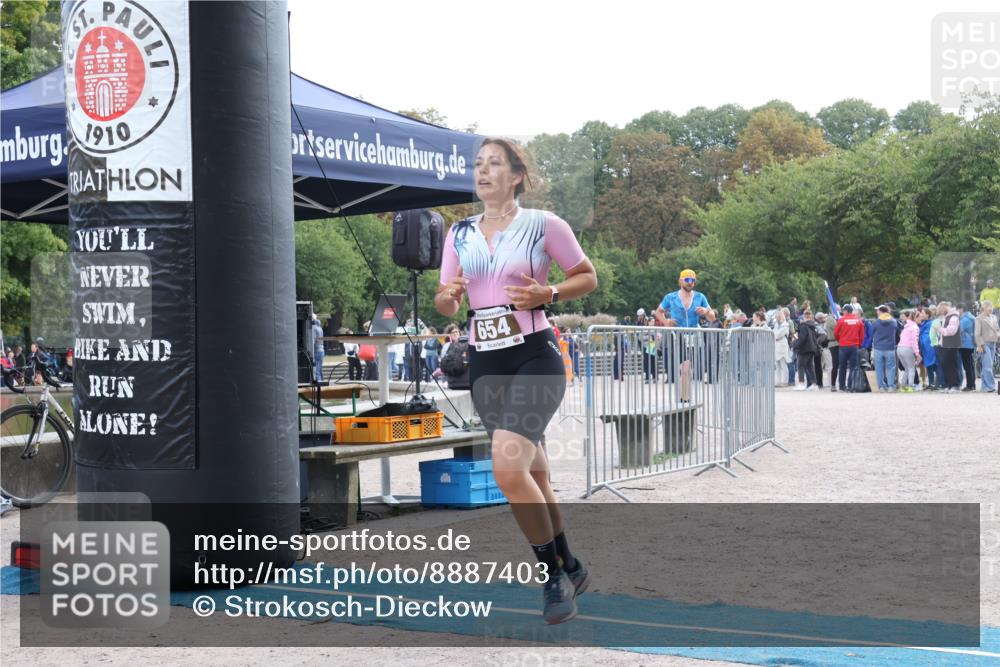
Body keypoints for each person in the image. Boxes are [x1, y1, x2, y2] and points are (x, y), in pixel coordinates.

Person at [434, 137, 598, 625]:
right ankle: (571, 564)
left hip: (535, 356)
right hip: (486, 363)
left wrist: (550, 292)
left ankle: (553, 577)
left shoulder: (544, 225)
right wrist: (449, 298)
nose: (482, 171)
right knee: (535, 474)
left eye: (494, 163)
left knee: (507, 470)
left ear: (517, 176)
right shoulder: (459, 233)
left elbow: (586, 276)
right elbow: (445, 301)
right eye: (478, 164)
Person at [655, 269, 710, 403]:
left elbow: (713, 316)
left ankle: (684, 398)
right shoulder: (671, 297)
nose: (690, 282)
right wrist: (666, 322)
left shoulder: (700, 297)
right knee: (683, 368)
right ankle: (683, 397)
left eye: (693, 280)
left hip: (693, 335)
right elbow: (658, 312)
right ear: (680, 281)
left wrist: (706, 312)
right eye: (687, 280)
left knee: (686, 368)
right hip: (677, 335)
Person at [834, 305, 864, 391]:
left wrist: (840, 340)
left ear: (846, 311)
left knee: (842, 367)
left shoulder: (841, 320)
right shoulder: (858, 321)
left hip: (843, 346)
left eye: (843, 311)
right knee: (853, 367)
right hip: (854, 346)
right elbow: (862, 335)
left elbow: (835, 333)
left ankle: (842, 386)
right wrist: (858, 344)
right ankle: (851, 385)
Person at [935, 302, 962, 393]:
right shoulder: (947, 317)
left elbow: (951, 331)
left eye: (941, 310)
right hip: (944, 345)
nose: (941, 312)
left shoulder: (954, 317)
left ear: (946, 307)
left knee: (952, 366)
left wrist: (939, 329)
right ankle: (949, 385)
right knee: (946, 366)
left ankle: (955, 385)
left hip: (951, 345)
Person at [871, 305, 898, 392]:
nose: (877, 312)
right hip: (890, 347)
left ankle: (881, 387)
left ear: (881, 312)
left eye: (877, 310)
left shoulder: (876, 322)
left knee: (879, 368)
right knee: (891, 367)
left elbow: (872, 333)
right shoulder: (893, 322)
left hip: (878, 348)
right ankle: (890, 386)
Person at [975, 301, 999, 392]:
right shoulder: (979, 318)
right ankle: (991, 386)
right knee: (988, 365)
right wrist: (980, 345)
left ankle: (984, 387)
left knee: (987, 365)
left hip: (993, 343)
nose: (991, 309)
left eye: (991, 307)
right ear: (984, 308)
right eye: (989, 307)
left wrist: (998, 336)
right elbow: (977, 333)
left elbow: (997, 329)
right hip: (984, 344)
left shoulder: (994, 317)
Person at [896, 310, 921, 392]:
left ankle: (903, 387)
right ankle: (910, 386)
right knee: (911, 368)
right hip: (908, 348)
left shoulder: (906, 326)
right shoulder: (915, 327)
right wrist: (917, 353)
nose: (920, 319)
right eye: (919, 317)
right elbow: (914, 341)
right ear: (915, 318)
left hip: (899, 348)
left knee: (906, 369)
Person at [957, 304, 977, 391]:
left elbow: (958, 330)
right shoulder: (971, 317)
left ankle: (970, 385)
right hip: (970, 344)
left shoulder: (965, 319)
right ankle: (972, 384)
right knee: (970, 365)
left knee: (967, 366)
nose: (957, 312)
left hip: (965, 344)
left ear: (961, 309)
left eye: (957, 309)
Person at [772, 310, 790, 387]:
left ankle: (785, 381)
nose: (776, 318)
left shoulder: (785, 325)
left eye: (777, 316)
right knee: (777, 364)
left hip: (782, 344)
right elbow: (772, 333)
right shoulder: (776, 324)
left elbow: (778, 334)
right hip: (776, 344)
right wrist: (774, 334)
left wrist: (774, 334)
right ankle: (778, 381)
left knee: (783, 364)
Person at [823, 310, 839, 391]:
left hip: (839, 343)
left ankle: (841, 384)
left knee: (839, 365)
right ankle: (833, 384)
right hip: (834, 343)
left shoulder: (836, 318)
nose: (839, 311)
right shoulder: (830, 319)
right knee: (835, 364)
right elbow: (837, 328)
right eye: (837, 309)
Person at [311, 316, 325, 383]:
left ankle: (318, 381)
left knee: (316, 366)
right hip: (322, 349)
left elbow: (313, 340)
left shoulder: (314, 329)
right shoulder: (320, 328)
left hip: (317, 349)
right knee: (320, 366)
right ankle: (321, 379)